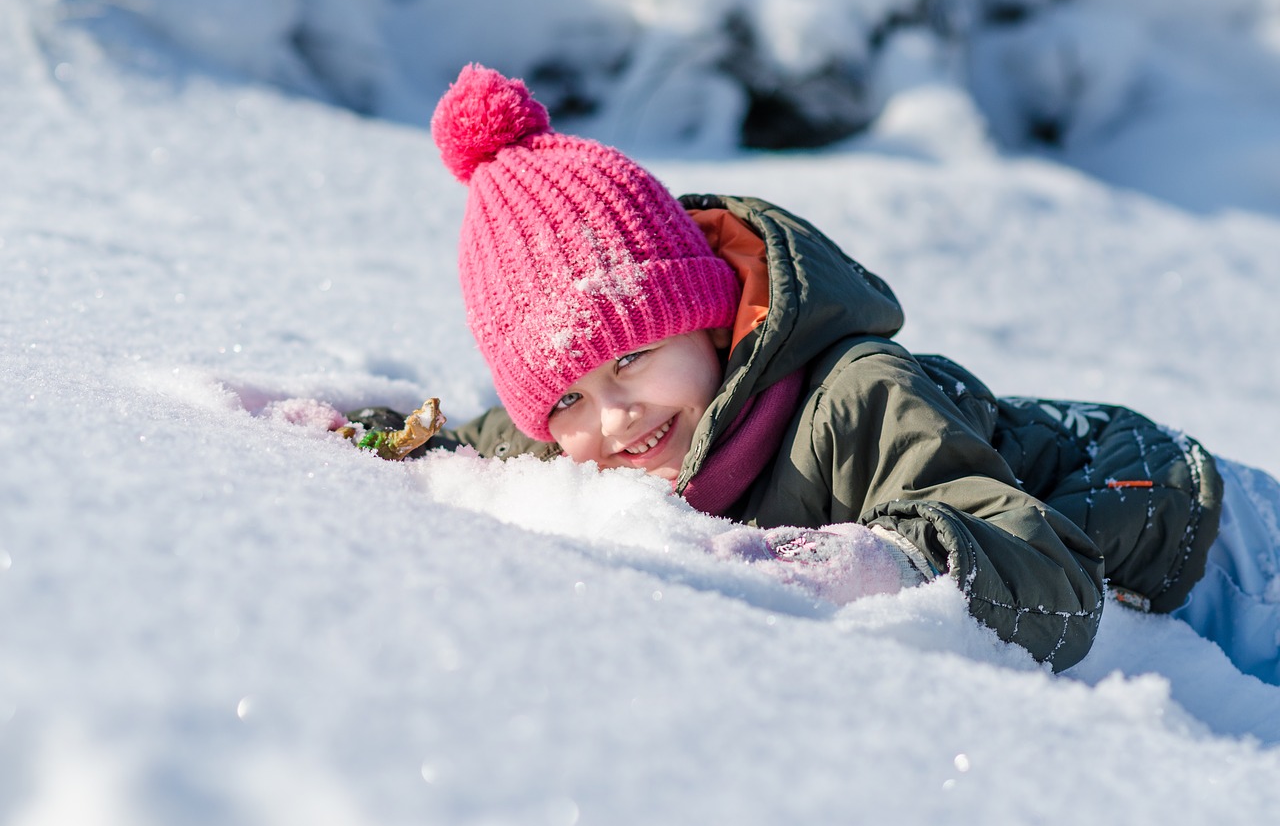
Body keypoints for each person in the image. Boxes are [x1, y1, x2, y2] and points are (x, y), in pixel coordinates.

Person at [348, 63, 1280, 682]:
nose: (614, 414)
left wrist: (884, 561)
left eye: (633, 356)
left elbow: (1049, 577)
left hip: (1201, 540)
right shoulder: (586, 435)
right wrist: (382, 437)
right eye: (569, 396)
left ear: (711, 323)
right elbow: (488, 438)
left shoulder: (856, 397)